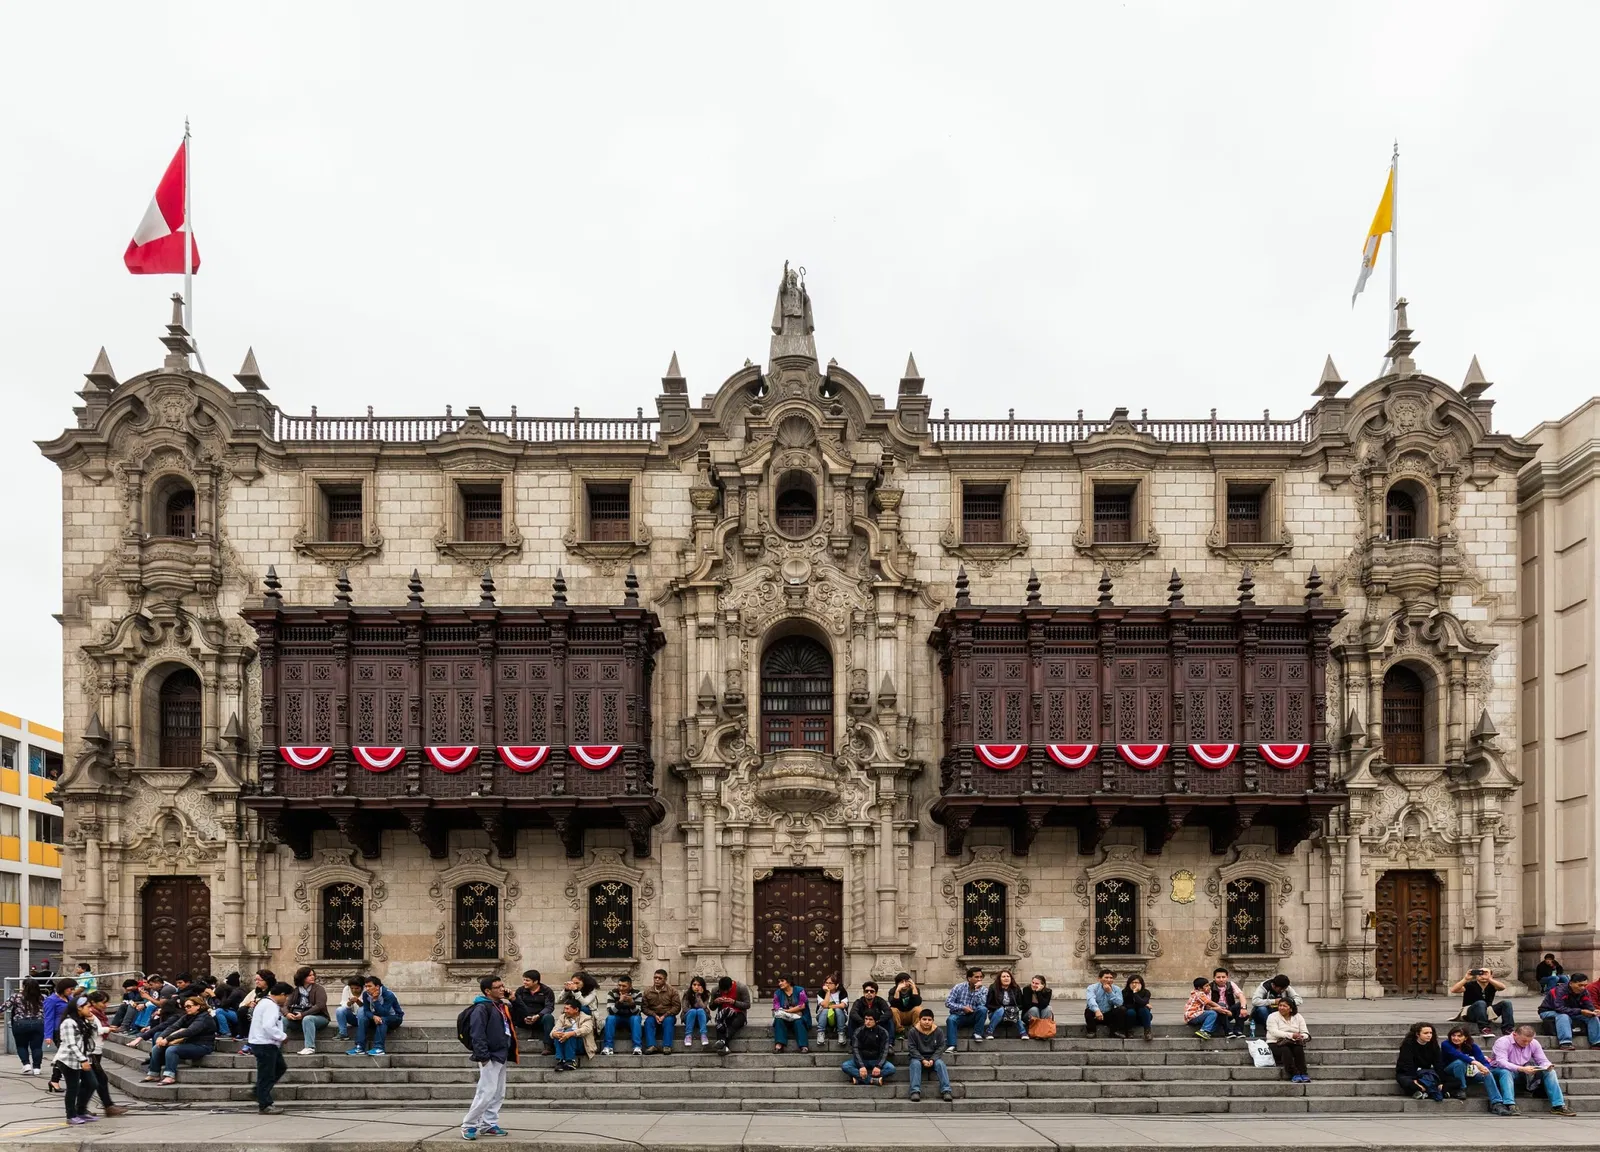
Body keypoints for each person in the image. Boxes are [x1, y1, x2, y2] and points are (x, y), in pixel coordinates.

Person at [461, 975, 517, 1140]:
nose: (502, 989)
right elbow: (477, 1033)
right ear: (487, 991)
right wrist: (483, 1056)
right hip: (490, 1055)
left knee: (499, 1092)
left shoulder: (500, 1005)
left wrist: (513, 999)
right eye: (497, 987)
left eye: (502, 986)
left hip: (501, 1053)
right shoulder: (481, 1008)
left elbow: (521, 1015)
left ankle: (488, 1123)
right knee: (486, 1091)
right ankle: (469, 1125)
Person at [1490, 1023, 1578, 1116]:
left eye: (1529, 1041)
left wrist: (1547, 1066)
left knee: (1550, 1072)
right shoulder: (1503, 1042)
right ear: (1515, 1035)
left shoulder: (1534, 1043)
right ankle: (1509, 1104)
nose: (1526, 1043)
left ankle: (1558, 1105)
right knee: (1505, 1072)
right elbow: (1501, 1062)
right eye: (1524, 1041)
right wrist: (1521, 1069)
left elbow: (1543, 1060)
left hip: (1524, 1070)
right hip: (1500, 1070)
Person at [143, 995, 217, 1085]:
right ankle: (154, 1074)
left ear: (198, 1006)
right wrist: (161, 1037)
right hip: (190, 1043)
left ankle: (170, 1076)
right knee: (157, 1048)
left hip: (203, 1045)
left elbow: (190, 1031)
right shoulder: (187, 1016)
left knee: (172, 1050)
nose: (186, 1009)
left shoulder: (204, 1018)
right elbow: (173, 1027)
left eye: (189, 1006)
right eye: (185, 1007)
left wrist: (167, 1039)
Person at [1441, 1025, 1515, 1114]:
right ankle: (1462, 1088)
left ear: (1465, 1038)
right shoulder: (1446, 1044)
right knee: (1459, 1062)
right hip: (1451, 1074)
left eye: (1459, 1036)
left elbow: (1483, 1061)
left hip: (1470, 1074)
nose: (1456, 1038)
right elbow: (1458, 1055)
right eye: (1453, 1035)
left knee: (1490, 1072)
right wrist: (1475, 1062)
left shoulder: (1472, 1046)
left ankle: (1497, 1103)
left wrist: (1485, 1068)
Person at [52, 996, 101, 1125]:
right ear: (79, 1008)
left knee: (92, 1083)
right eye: (87, 1007)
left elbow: (94, 1036)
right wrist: (83, 1060)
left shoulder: (82, 1020)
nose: (90, 1009)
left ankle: (81, 1110)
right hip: (68, 1060)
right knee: (72, 1087)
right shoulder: (68, 1022)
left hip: (81, 1058)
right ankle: (71, 1115)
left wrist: (91, 1021)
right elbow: (71, 1044)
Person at [247, 980, 292, 1115]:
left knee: (279, 1067)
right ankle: (265, 1103)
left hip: (264, 1042)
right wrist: (282, 1036)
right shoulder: (270, 1005)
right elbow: (268, 1026)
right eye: (286, 996)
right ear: (282, 994)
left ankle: (258, 1091)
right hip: (264, 1043)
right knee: (266, 1074)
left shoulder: (265, 1003)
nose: (287, 1000)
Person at [83, 990, 129, 1116]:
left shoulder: (97, 1014)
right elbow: (94, 1030)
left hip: (95, 1050)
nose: (106, 1005)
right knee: (97, 1080)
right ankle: (105, 1106)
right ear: (93, 1003)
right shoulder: (90, 1014)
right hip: (91, 1051)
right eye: (103, 1002)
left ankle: (105, 1106)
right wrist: (108, 1028)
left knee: (94, 1081)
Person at [1538, 972, 1599, 1049]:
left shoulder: (1584, 992)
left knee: (1593, 1017)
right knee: (1563, 1016)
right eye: (1580, 985)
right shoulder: (1559, 990)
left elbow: (1588, 1005)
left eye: (1585, 985)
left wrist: (1594, 1011)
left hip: (1572, 1011)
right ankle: (1565, 1042)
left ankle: (1596, 1042)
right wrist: (1580, 1011)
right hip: (1549, 1011)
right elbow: (1559, 1008)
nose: (1583, 988)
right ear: (1571, 983)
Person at [346, 976, 403, 1057]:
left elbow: (384, 1013)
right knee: (363, 1018)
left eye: (369, 986)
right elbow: (366, 1010)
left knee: (382, 1019)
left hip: (394, 1018)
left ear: (377, 986)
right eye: (366, 986)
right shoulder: (366, 994)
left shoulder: (388, 994)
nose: (367, 988)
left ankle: (379, 1048)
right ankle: (360, 1047)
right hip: (377, 1016)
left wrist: (375, 1000)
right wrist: (373, 1017)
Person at [906, 1008, 952, 1102]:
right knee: (915, 1064)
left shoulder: (938, 1031)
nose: (927, 1022)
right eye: (924, 1019)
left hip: (933, 1058)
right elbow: (912, 1048)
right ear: (920, 1020)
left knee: (940, 1064)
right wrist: (922, 1059)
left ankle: (946, 1090)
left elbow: (941, 1047)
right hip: (917, 1058)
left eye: (929, 1020)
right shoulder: (913, 1032)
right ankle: (915, 1091)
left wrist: (932, 1059)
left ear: (933, 1021)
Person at [1450, 967, 1514, 1036]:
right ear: (1476, 975)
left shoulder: (1492, 985)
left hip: (1486, 1012)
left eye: (1486, 973)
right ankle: (1484, 1028)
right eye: (1480, 973)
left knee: (1507, 1003)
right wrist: (1465, 979)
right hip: (1470, 1013)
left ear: (1491, 975)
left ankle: (1507, 1029)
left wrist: (1489, 979)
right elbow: (1454, 990)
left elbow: (1502, 987)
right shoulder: (1470, 984)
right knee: (1481, 1003)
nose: (1482, 975)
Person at [43, 977, 79, 1093]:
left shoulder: (69, 998)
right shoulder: (51, 1000)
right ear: (63, 989)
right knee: (64, 1055)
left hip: (70, 1028)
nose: (72, 991)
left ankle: (55, 1080)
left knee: (64, 1055)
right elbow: (48, 1018)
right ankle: (56, 1080)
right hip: (58, 1030)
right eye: (70, 989)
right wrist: (47, 1036)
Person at [841, 1009, 895, 1086]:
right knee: (845, 1066)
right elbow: (856, 1049)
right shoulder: (858, 1031)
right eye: (866, 1019)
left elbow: (884, 1051)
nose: (867, 1022)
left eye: (870, 1019)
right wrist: (861, 1066)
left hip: (876, 1060)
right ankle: (872, 1080)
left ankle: (859, 1079)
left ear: (876, 1021)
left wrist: (878, 1066)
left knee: (891, 1068)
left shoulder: (883, 1032)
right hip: (862, 1059)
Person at [1394, 1021, 1446, 1100]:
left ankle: (1424, 1091)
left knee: (1452, 1081)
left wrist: (1441, 1080)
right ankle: (1426, 1090)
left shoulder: (1433, 1044)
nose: (1429, 1035)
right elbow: (1407, 1064)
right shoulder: (1408, 1044)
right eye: (1425, 1033)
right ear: (1417, 1034)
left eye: (1430, 1033)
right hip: (1408, 1074)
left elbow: (1438, 1063)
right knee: (1406, 1082)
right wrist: (1416, 1081)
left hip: (1426, 1072)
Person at [1265, 997, 1311, 1083]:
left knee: (1298, 1048)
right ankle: (1294, 1073)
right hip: (1276, 1042)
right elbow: (1274, 1032)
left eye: (1284, 1006)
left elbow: (1305, 1032)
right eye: (1280, 1005)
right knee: (1285, 1050)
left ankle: (1303, 1072)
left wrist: (1301, 1036)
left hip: (1293, 1042)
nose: (1281, 1008)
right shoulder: (1272, 1016)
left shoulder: (1298, 1017)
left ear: (1291, 1008)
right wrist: (1291, 1035)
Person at [944, 966, 990, 1051]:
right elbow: (948, 1003)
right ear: (969, 978)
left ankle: (978, 1033)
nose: (979, 979)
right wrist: (962, 1007)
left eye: (981, 977)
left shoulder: (983, 989)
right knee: (951, 1019)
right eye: (976, 977)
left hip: (974, 1016)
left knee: (983, 1009)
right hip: (959, 1015)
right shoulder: (958, 987)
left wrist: (977, 991)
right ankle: (951, 1045)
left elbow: (983, 1004)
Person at [286, 966, 329, 1056]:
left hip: (319, 1018)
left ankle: (310, 1047)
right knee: (282, 1019)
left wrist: (303, 1014)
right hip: (298, 1019)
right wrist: (287, 1014)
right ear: (302, 977)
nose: (312, 977)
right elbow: (284, 1005)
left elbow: (320, 1005)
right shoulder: (296, 990)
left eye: (313, 975)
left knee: (308, 1019)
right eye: (309, 975)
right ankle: (275, 1045)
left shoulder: (318, 989)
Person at [511, 970, 556, 1054]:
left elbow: (549, 1007)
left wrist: (538, 1015)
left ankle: (548, 1046)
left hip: (539, 1018)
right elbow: (517, 1005)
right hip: (523, 1018)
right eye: (524, 980)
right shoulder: (520, 990)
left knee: (549, 1017)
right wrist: (524, 1016)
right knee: (509, 1009)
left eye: (527, 980)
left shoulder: (547, 991)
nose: (524, 982)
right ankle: (509, 1045)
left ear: (536, 981)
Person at [5, 978, 44, 1074]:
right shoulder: (43, 997)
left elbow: (4, 1007)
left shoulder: (16, 996)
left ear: (24, 986)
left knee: (21, 1045)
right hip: (38, 1023)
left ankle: (26, 1064)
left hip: (20, 1024)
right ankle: (37, 1068)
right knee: (37, 1047)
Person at [639, 969, 680, 1055]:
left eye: (659, 978)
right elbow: (644, 1007)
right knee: (648, 1022)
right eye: (655, 977)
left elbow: (677, 1007)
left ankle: (667, 1046)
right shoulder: (647, 992)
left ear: (665, 980)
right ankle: (651, 1046)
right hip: (653, 1015)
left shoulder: (672, 991)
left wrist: (665, 1015)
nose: (657, 980)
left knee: (668, 1021)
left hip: (668, 1015)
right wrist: (654, 1015)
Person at [549, 996, 595, 1071]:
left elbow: (586, 1029)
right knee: (559, 1033)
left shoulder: (587, 1018)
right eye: (564, 1008)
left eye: (567, 1009)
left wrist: (571, 1033)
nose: (565, 1011)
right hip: (565, 1044)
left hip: (582, 1046)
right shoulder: (562, 1017)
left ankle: (570, 1061)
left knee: (569, 1032)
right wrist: (555, 1034)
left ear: (576, 1009)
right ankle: (561, 1060)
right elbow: (554, 1030)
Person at [602, 976, 643, 1056]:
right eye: (619, 985)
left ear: (630, 986)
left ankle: (637, 1047)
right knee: (610, 1018)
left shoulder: (637, 993)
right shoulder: (612, 993)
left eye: (624, 986)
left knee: (636, 1018)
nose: (621, 988)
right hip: (617, 1018)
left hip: (631, 1018)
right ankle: (608, 1047)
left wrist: (632, 1003)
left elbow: (637, 1012)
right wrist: (620, 1001)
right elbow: (610, 1011)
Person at [711, 975, 750, 1054]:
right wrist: (715, 1002)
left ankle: (722, 1041)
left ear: (731, 985)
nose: (725, 992)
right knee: (721, 1023)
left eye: (727, 990)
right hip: (723, 1013)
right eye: (723, 991)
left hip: (739, 1013)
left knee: (734, 1022)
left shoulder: (741, 988)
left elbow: (747, 1005)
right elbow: (711, 1007)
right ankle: (725, 1047)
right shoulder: (715, 990)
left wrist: (734, 1002)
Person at [771, 975, 810, 1053]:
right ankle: (779, 1045)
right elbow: (776, 1006)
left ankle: (803, 1046)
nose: (780, 983)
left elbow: (802, 1006)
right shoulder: (777, 993)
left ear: (789, 981)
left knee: (798, 1022)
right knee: (778, 1020)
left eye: (782, 981)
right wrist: (779, 1011)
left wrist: (789, 1011)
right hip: (784, 1017)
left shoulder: (800, 990)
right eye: (779, 981)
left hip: (799, 1016)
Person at [1207, 968, 1248, 1038]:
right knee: (1221, 1006)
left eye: (1223, 977)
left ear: (1227, 977)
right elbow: (1207, 1005)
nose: (1221, 979)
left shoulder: (1231, 984)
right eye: (1218, 977)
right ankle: (1228, 1031)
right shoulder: (1209, 987)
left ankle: (1238, 1030)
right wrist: (1218, 1009)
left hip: (1229, 1011)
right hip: (1217, 1012)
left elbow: (1241, 996)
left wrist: (1243, 1008)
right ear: (1214, 978)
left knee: (1240, 1005)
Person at [1083, 969, 1123, 1038]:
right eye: (1106, 977)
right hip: (1095, 1014)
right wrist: (1097, 1010)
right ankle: (1091, 1031)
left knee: (1122, 1009)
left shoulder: (1116, 989)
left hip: (1108, 1014)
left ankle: (1114, 1032)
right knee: (1088, 1011)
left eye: (1111, 978)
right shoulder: (1092, 988)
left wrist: (1110, 992)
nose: (1109, 980)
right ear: (1100, 979)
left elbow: (1119, 1003)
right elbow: (1091, 1000)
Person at [813, 975, 849, 1049]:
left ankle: (841, 1033)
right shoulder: (821, 992)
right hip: (823, 1017)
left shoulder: (842, 992)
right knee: (825, 1010)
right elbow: (825, 1005)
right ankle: (821, 1033)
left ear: (837, 984)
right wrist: (828, 992)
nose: (827, 985)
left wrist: (830, 1007)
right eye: (826, 983)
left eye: (830, 983)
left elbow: (842, 1005)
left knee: (838, 1010)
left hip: (839, 1017)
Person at [1119, 974, 1154, 1042]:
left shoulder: (1146, 992)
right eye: (1132, 982)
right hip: (1130, 1018)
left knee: (1143, 1009)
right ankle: (1129, 1031)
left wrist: (1135, 993)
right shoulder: (1125, 992)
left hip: (1142, 1018)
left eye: (1137, 982)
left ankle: (1147, 1032)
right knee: (1131, 1011)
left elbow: (1143, 1002)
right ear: (1129, 984)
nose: (1134, 984)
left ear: (1141, 984)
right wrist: (1144, 1005)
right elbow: (1125, 1005)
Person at [888, 973, 922, 1039]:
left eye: (906, 981)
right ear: (897, 983)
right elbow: (893, 1004)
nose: (904, 983)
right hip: (899, 1015)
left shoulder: (915, 989)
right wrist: (897, 991)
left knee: (918, 1009)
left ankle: (915, 1031)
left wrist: (914, 987)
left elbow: (917, 1002)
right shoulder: (893, 990)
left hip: (910, 1013)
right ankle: (899, 1031)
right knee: (892, 1010)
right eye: (901, 982)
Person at [1019, 974, 1054, 1040]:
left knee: (1048, 1008)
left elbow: (1044, 1005)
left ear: (1042, 985)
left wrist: (1038, 992)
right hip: (1028, 1016)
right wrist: (1039, 1005)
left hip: (1041, 1015)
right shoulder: (1026, 989)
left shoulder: (1048, 991)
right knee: (1034, 1009)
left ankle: (1043, 1033)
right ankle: (1038, 1032)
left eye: (1037, 983)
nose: (1034, 985)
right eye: (1033, 982)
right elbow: (1027, 1005)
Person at [681, 976, 712, 1048]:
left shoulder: (706, 994)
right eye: (694, 985)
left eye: (699, 985)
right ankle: (688, 1036)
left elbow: (703, 1007)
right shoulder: (687, 993)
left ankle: (703, 1035)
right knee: (693, 1011)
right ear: (691, 985)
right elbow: (685, 1008)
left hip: (702, 1018)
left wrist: (698, 996)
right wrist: (694, 1011)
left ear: (702, 986)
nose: (696, 987)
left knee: (700, 1010)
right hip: (689, 1018)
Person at [333, 976, 365, 1042]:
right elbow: (344, 1004)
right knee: (340, 1010)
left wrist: (358, 1001)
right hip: (353, 1017)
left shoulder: (366, 991)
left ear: (362, 987)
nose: (354, 990)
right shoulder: (346, 989)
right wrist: (350, 1003)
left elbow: (368, 1008)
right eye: (352, 988)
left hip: (364, 1018)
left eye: (357, 988)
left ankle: (361, 1034)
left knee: (361, 1011)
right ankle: (343, 1033)